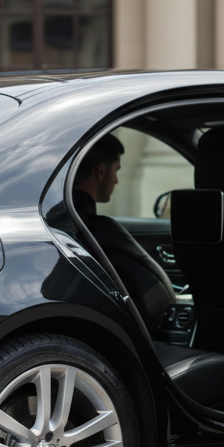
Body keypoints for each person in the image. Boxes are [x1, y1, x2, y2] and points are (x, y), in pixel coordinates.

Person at [72, 134, 178, 332]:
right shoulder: (100, 229)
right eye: (116, 170)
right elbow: (156, 298)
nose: (117, 180)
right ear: (101, 172)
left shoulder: (70, 224)